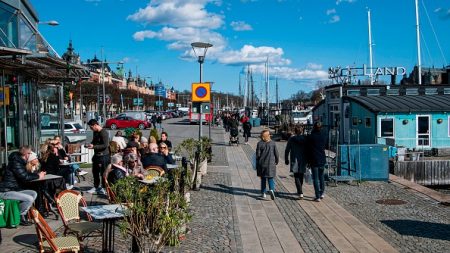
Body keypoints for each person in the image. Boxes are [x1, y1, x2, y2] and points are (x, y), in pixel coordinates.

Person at [0, 146, 44, 226]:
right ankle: (20, 216)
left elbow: (26, 174)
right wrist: (38, 176)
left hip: (14, 189)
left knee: (33, 193)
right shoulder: (15, 163)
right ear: (26, 154)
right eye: (30, 153)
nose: (31, 155)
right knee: (29, 198)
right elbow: (25, 177)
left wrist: (37, 174)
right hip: (6, 191)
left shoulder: (20, 162)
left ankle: (21, 213)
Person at [86, 119, 110, 195]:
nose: (91, 129)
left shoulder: (104, 133)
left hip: (103, 156)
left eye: (91, 127)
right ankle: (96, 186)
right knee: (95, 171)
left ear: (95, 125)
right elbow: (94, 141)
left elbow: (105, 145)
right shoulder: (95, 132)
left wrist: (94, 146)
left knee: (103, 172)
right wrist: (90, 144)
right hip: (96, 155)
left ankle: (104, 188)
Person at [256, 130, 279, 200]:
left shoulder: (259, 143)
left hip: (262, 164)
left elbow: (258, 155)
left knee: (263, 179)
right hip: (271, 164)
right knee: (270, 178)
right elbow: (276, 154)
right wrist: (277, 161)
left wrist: (257, 162)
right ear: (268, 136)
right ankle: (271, 189)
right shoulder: (273, 143)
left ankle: (263, 193)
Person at [285, 126, 307, 199]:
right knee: (301, 175)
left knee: (296, 176)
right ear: (302, 131)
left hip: (294, 159)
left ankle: (300, 191)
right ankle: (300, 190)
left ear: (295, 131)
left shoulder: (291, 139)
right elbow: (308, 149)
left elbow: (287, 149)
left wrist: (286, 159)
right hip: (303, 159)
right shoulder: (305, 139)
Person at [308, 122, 327, 202]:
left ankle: (317, 196)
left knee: (315, 178)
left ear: (314, 127)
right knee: (321, 176)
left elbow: (308, 148)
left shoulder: (311, 137)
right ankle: (322, 193)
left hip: (314, 159)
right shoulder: (323, 136)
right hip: (322, 158)